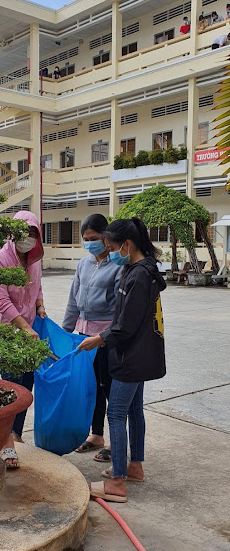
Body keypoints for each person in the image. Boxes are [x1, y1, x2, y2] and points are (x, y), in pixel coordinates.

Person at [78, 218, 166, 503]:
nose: (110, 252)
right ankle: (134, 467)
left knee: (116, 413)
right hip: (139, 354)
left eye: (112, 247)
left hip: (130, 356)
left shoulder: (139, 275)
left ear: (126, 245)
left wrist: (98, 339)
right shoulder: (140, 269)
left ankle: (117, 482)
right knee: (134, 410)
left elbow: (125, 325)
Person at [0, 211, 45, 469]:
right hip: (6, 332)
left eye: (33, 234)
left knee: (27, 384)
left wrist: (40, 306)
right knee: (11, 385)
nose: (28, 239)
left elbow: (38, 286)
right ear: (12, 234)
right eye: (24, 234)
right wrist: (23, 326)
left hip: (30, 329)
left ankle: (16, 434)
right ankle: (5, 442)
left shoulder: (33, 260)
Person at [62, 214, 121, 460]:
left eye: (94, 239)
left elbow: (120, 308)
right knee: (92, 387)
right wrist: (65, 331)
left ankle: (117, 444)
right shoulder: (83, 264)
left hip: (107, 338)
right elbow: (73, 300)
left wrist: (106, 336)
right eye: (85, 240)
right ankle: (97, 435)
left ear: (106, 237)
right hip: (84, 336)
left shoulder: (118, 265)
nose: (89, 244)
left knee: (110, 389)